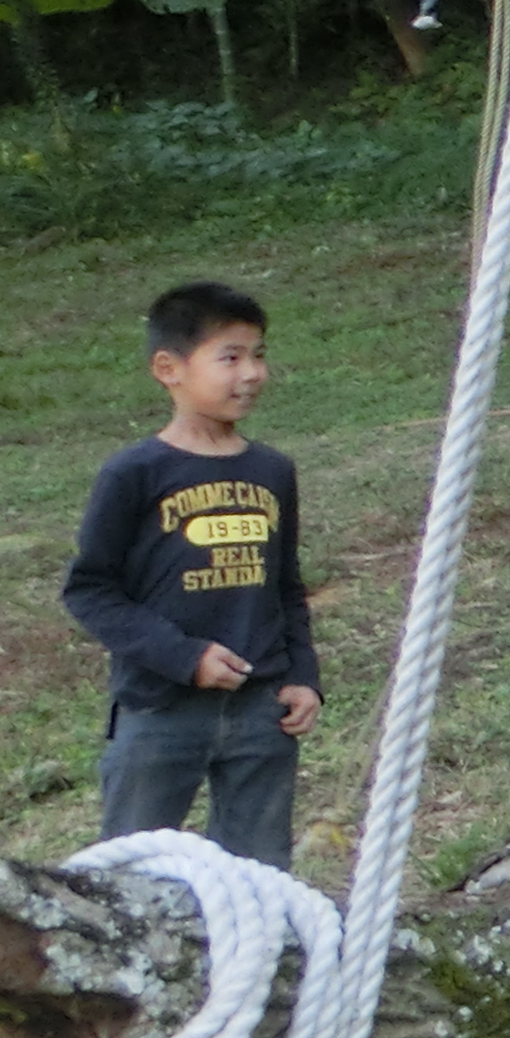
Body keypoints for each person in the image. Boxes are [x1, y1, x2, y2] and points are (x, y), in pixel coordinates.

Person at [59, 280, 322, 871]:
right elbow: (90, 589)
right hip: (160, 710)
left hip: (262, 709)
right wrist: (184, 657)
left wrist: (304, 675)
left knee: (260, 873)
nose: (251, 372)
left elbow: (285, 587)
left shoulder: (272, 470)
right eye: (229, 357)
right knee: (130, 870)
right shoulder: (135, 472)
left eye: (258, 354)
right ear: (167, 368)